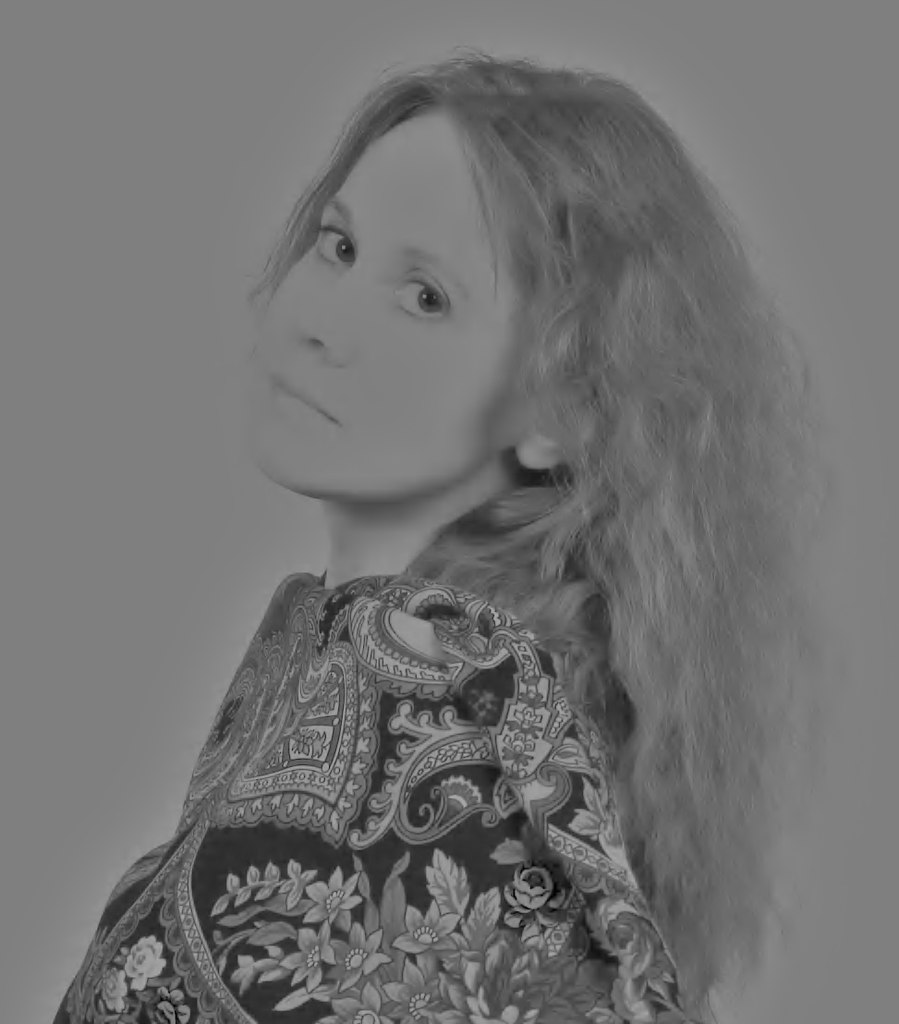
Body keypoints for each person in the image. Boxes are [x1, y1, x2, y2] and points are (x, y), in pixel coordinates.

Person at [53, 47, 836, 1024]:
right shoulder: (342, 667)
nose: (322, 321)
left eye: (425, 296)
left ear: (561, 410)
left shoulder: (463, 737)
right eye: (337, 246)